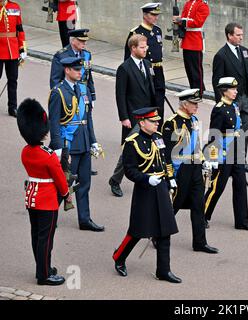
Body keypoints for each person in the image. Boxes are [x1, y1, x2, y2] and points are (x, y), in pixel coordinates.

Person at [112, 107, 181, 283]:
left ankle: (163, 271)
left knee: (165, 230)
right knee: (137, 230)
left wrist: (171, 178)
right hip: (145, 190)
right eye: (153, 121)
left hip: (161, 187)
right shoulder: (132, 142)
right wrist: (146, 179)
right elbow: (129, 170)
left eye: (157, 121)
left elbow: (166, 160)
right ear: (142, 123)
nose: (157, 123)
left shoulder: (158, 138)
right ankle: (119, 257)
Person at [18, 98, 71, 286]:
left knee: (36, 236)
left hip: (32, 197)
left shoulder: (25, 152)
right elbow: (60, 181)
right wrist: (66, 194)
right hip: (47, 200)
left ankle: (43, 267)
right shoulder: (48, 156)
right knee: (46, 239)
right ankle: (44, 275)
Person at [48, 56, 104, 232]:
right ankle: (50, 217)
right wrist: (58, 148)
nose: (80, 72)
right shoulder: (58, 92)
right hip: (68, 145)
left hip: (84, 143)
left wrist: (93, 141)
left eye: (81, 70)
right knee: (63, 183)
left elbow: (88, 118)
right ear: (67, 70)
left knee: (84, 183)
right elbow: (54, 122)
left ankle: (84, 219)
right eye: (76, 70)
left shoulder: (83, 89)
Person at [162, 88, 219, 254]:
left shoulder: (193, 120)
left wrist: (204, 161)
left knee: (198, 205)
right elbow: (166, 153)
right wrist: (170, 175)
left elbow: (196, 146)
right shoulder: (172, 123)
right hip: (181, 170)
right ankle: (159, 235)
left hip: (195, 169)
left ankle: (200, 242)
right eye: (194, 104)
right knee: (174, 205)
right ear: (184, 104)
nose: (196, 107)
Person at [203, 77, 248, 231]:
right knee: (217, 187)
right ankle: (203, 215)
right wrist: (213, 157)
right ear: (224, 91)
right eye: (232, 89)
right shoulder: (219, 109)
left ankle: (242, 220)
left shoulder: (234, 106)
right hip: (224, 153)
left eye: (235, 89)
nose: (236, 92)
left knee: (240, 185)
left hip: (236, 153)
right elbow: (214, 136)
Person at [108, 34, 156, 198]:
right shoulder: (125, 68)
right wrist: (124, 117)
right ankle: (115, 180)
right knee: (129, 151)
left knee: (151, 147)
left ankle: (149, 178)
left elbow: (151, 90)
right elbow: (120, 94)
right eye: (142, 47)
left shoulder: (148, 64)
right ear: (133, 48)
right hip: (133, 116)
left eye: (146, 47)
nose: (146, 50)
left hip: (148, 115)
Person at [212, 22, 248, 174]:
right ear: (229, 35)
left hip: (245, 99)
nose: (241, 38)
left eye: (241, 35)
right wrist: (222, 103)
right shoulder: (221, 55)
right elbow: (216, 81)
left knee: (245, 131)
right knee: (231, 132)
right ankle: (229, 163)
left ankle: (242, 162)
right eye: (238, 35)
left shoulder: (244, 51)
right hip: (232, 100)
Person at [124, 2, 165, 127]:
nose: (156, 17)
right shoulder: (136, 33)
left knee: (159, 103)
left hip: (158, 71)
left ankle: (158, 131)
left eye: (156, 15)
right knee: (145, 103)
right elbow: (128, 59)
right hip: (144, 72)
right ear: (145, 15)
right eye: (153, 15)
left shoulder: (158, 30)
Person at [173, 0, 210, 95]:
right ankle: (193, 89)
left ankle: (199, 92)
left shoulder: (203, 5)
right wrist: (178, 21)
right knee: (189, 69)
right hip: (187, 40)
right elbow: (184, 17)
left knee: (196, 70)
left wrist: (181, 21)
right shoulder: (188, 3)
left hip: (195, 41)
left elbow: (198, 22)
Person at [50, 29, 96, 103]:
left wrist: (92, 95)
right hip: (68, 94)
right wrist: (58, 97)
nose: (84, 43)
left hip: (84, 95)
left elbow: (88, 76)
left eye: (85, 41)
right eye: (81, 41)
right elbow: (55, 80)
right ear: (73, 40)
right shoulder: (61, 56)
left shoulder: (87, 55)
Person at [0, 0, 26, 118]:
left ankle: (13, 107)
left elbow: (20, 29)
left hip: (12, 49)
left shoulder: (15, 7)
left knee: (13, 79)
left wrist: (22, 48)